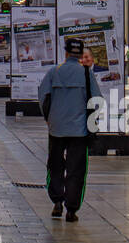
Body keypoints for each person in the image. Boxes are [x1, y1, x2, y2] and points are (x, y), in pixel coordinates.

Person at [38, 37, 94, 221]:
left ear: (66, 53)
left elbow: (43, 96)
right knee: (76, 169)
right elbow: (97, 100)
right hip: (79, 130)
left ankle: (56, 202)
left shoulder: (54, 72)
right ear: (80, 54)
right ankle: (71, 209)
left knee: (54, 165)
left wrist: (48, 118)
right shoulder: (86, 74)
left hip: (56, 128)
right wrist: (91, 122)